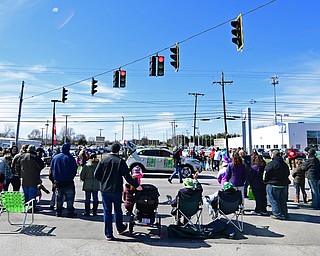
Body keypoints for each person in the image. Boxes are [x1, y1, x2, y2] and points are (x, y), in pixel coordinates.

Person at [94, 143, 142, 241]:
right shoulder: (120, 161)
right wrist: (137, 186)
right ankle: (120, 228)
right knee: (117, 210)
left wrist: (103, 181)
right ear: (118, 151)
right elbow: (127, 176)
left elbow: (96, 174)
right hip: (116, 189)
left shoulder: (104, 160)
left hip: (104, 189)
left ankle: (108, 234)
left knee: (107, 211)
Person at [50, 143, 78, 217]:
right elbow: (74, 170)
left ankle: (58, 212)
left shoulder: (55, 158)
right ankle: (69, 212)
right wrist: (71, 177)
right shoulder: (70, 158)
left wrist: (54, 179)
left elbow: (52, 169)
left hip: (58, 181)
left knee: (58, 198)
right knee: (70, 198)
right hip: (68, 181)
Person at [264, 149, 290, 220]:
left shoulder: (271, 164)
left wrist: (265, 181)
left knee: (274, 200)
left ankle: (277, 214)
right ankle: (284, 213)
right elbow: (288, 173)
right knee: (282, 200)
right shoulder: (284, 164)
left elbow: (266, 173)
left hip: (273, 184)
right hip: (283, 184)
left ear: (273, 155)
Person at [17, 145, 45, 211]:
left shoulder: (22, 156)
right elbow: (42, 165)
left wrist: (20, 174)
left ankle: (25, 207)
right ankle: (31, 208)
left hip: (24, 178)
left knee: (25, 193)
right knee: (32, 194)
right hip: (33, 178)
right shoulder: (35, 157)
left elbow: (17, 165)